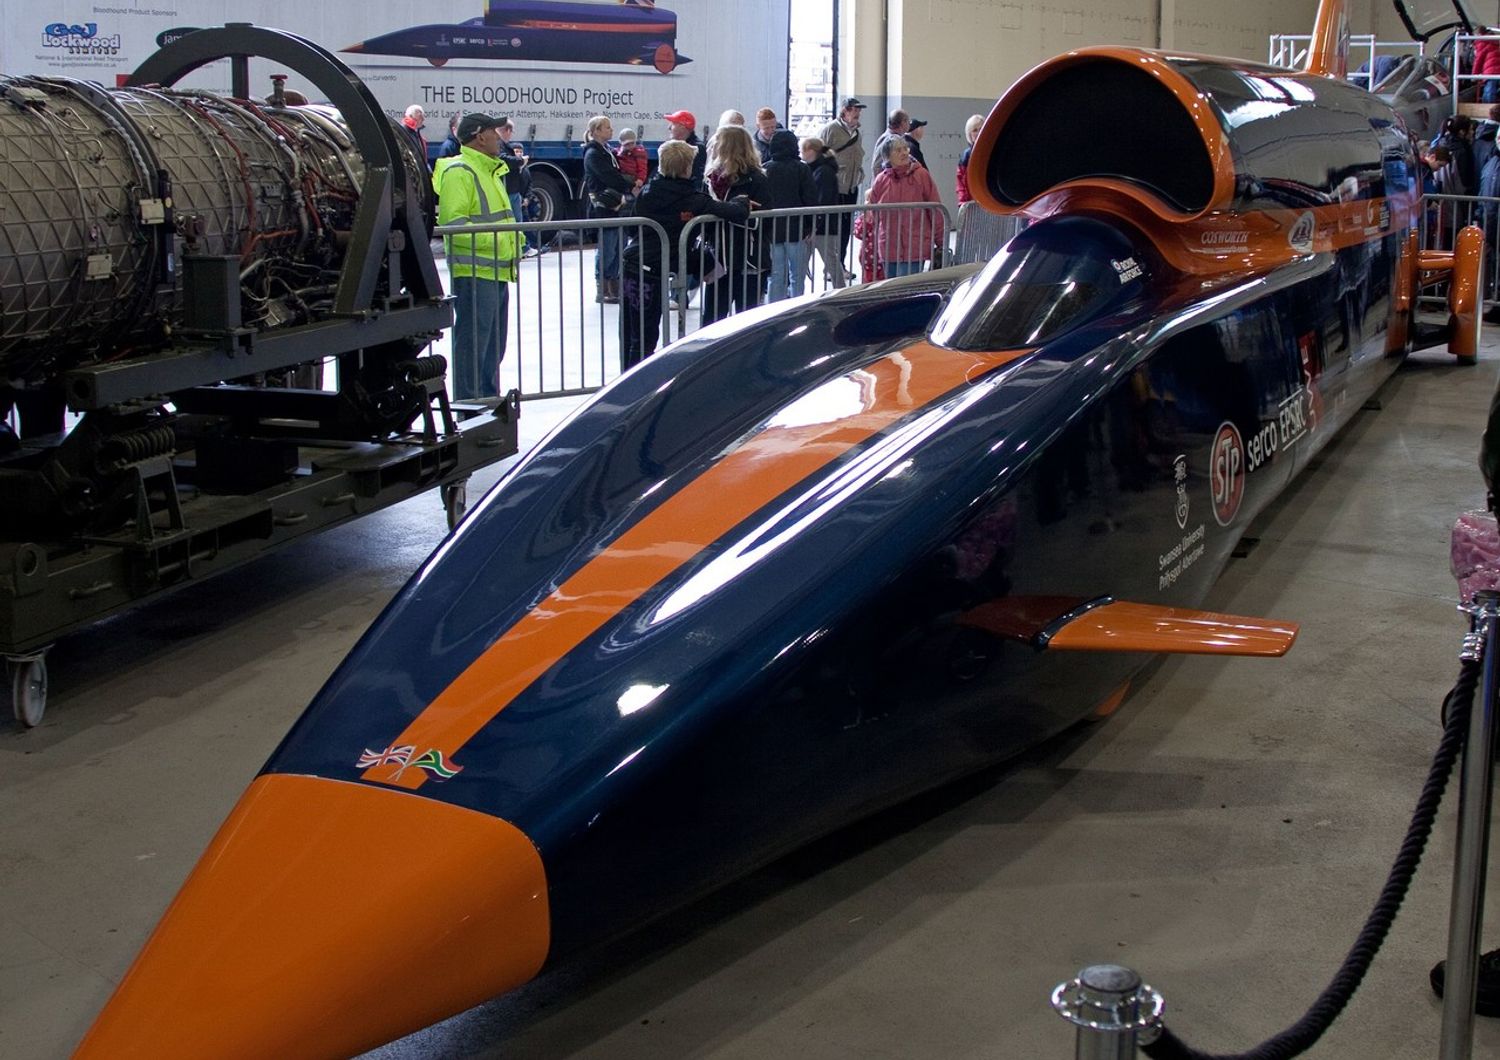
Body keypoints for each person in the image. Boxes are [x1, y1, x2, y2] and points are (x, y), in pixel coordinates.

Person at [620, 140, 750, 367]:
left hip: (632, 262)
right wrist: (741, 201)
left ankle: (625, 379)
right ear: (687, 168)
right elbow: (735, 212)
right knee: (647, 334)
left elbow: (634, 225)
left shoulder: (648, 192)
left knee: (630, 331)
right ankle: (637, 389)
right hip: (654, 269)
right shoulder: (693, 199)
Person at [435, 113, 520, 399]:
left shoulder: (489, 169)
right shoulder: (461, 171)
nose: (499, 136)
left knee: (493, 348)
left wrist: (512, 240)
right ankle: (470, 408)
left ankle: (487, 405)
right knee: (474, 347)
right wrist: (499, 241)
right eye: (494, 131)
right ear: (480, 136)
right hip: (475, 274)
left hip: (496, 271)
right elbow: (454, 225)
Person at [702, 124, 770, 324]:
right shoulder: (710, 179)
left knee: (747, 321)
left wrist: (721, 210)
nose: (713, 146)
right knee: (712, 320)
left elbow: (764, 219)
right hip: (719, 259)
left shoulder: (756, 179)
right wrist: (734, 210)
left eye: (717, 142)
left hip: (749, 259)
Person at [857, 135, 942, 279]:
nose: (904, 153)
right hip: (888, 247)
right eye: (898, 150)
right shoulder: (881, 180)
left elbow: (935, 209)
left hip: (915, 246)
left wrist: (941, 241)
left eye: (905, 149)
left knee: (907, 289)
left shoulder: (921, 175)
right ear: (887, 156)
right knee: (892, 291)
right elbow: (873, 214)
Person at [583, 114, 640, 304]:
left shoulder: (606, 151)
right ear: (597, 131)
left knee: (617, 247)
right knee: (607, 248)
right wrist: (627, 183)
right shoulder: (593, 154)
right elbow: (609, 176)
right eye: (607, 127)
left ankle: (614, 284)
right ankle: (603, 286)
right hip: (603, 207)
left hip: (614, 206)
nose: (611, 130)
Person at [762, 129, 817, 301]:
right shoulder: (802, 169)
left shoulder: (765, 169)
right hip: (797, 228)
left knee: (776, 274)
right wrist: (811, 225)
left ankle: (773, 311)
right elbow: (810, 198)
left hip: (772, 230)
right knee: (797, 276)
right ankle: (796, 308)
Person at [819, 97, 867, 265]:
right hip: (835, 187)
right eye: (854, 109)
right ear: (845, 111)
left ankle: (840, 263)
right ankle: (831, 266)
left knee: (846, 229)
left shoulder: (857, 133)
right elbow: (820, 155)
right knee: (833, 229)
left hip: (851, 186)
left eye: (859, 110)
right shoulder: (830, 130)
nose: (858, 113)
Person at [802, 136, 848, 289]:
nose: (801, 154)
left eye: (803, 151)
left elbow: (823, 201)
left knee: (831, 261)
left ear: (811, 151)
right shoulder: (820, 170)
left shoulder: (823, 172)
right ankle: (840, 289)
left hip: (822, 227)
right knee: (831, 260)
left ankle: (841, 290)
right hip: (821, 225)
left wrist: (814, 226)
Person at [497, 117, 538, 255]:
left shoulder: (502, 145)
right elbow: (503, 159)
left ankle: (521, 248)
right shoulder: (500, 145)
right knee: (514, 221)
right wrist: (520, 161)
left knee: (516, 221)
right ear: (507, 130)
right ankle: (520, 248)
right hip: (509, 189)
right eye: (511, 131)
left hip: (512, 189)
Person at [663, 109, 707, 186]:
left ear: (682, 127)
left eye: (673, 124)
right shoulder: (670, 145)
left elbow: (696, 178)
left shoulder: (696, 148)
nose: (669, 127)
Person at [956, 113, 984, 204]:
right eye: (975, 130)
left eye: (981, 128)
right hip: (972, 205)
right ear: (969, 134)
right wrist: (963, 203)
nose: (979, 132)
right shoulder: (966, 156)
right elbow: (961, 183)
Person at [1476, 26, 1500, 104]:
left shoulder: (1483, 44)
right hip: (1495, 71)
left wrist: (1474, 74)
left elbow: (1478, 60)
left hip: (1490, 72)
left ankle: (1488, 106)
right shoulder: (1496, 45)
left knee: (1489, 89)